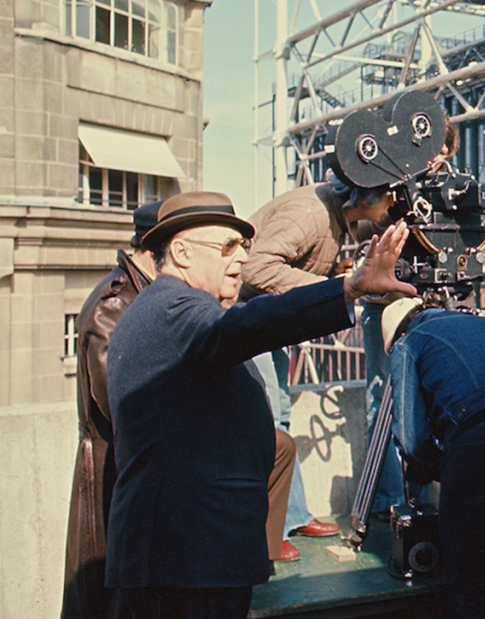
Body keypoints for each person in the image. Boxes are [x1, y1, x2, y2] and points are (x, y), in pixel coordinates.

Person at [105, 192, 415, 619]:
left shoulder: (162, 309)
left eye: (244, 246)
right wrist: (347, 288)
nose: (241, 259)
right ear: (180, 252)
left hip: (188, 556)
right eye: (227, 247)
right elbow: (249, 324)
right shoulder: (179, 308)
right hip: (189, 560)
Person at [239, 169, 398, 547]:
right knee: (268, 421)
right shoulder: (310, 213)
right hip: (248, 320)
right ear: (365, 196)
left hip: (267, 322)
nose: (393, 204)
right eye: (389, 197)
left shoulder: (337, 215)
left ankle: (290, 517)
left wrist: (336, 273)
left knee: (279, 414)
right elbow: (256, 266)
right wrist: (333, 286)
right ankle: (269, 531)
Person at [383, 288, 485, 619]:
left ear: (399, 332)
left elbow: (411, 437)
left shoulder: (408, 343)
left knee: (468, 581)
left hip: (476, 438)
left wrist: (435, 469)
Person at [61, 200, 163, 619]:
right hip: (112, 472)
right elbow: (125, 404)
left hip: (131, 470)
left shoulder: (144, 295)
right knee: (114, 599)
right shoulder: (114, 304)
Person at [359, 122, 458, 517]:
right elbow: (366, 226)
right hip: (385, 304)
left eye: (440, 149)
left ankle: (422, 498)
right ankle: (388, 502)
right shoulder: (388, 185)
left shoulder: (455, 189)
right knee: (381, 396)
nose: (432, 157)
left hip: (434, 302)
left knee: (432, 401)